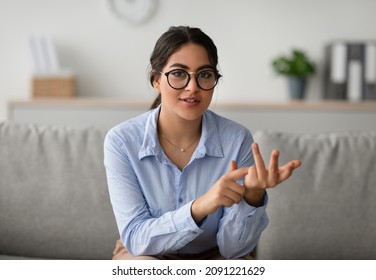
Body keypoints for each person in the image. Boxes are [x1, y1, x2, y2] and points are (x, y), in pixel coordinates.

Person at [103, 26, 302, 260]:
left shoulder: (237, 140)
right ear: (156, 80)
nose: (192, 87)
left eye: (204, 74)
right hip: (146, 255)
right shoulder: (121, 141)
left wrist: (253, 195)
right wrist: (200, 207)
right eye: (179, 73)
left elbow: (233, 249)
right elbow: (137, 239)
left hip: (215, 256)